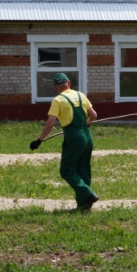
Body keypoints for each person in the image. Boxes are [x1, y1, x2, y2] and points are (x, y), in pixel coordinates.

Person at [30, 73, 99, 210]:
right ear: (69, 83)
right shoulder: (80, 95)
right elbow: (94, 115)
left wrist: (39, 140)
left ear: (56, 88)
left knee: (66, 170)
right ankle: (84, 205)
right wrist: (87, 123)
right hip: (87, 136)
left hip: (74, 138)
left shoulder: (58, 100)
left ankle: (88, 194)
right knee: (83, 169)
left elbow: (50, 123)